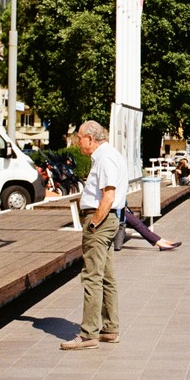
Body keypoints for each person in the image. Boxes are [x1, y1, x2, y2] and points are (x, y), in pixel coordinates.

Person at [61, 120, 124, 350]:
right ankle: (110, 328)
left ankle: (88, 334)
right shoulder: (110, 155)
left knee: (91, 276)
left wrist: (94, 223)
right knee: (107, 275)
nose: (77, 142)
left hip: (100, 220)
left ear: (90, 138)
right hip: (108, 220)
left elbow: (108, 195)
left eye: (79, 137)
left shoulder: (104, 158)